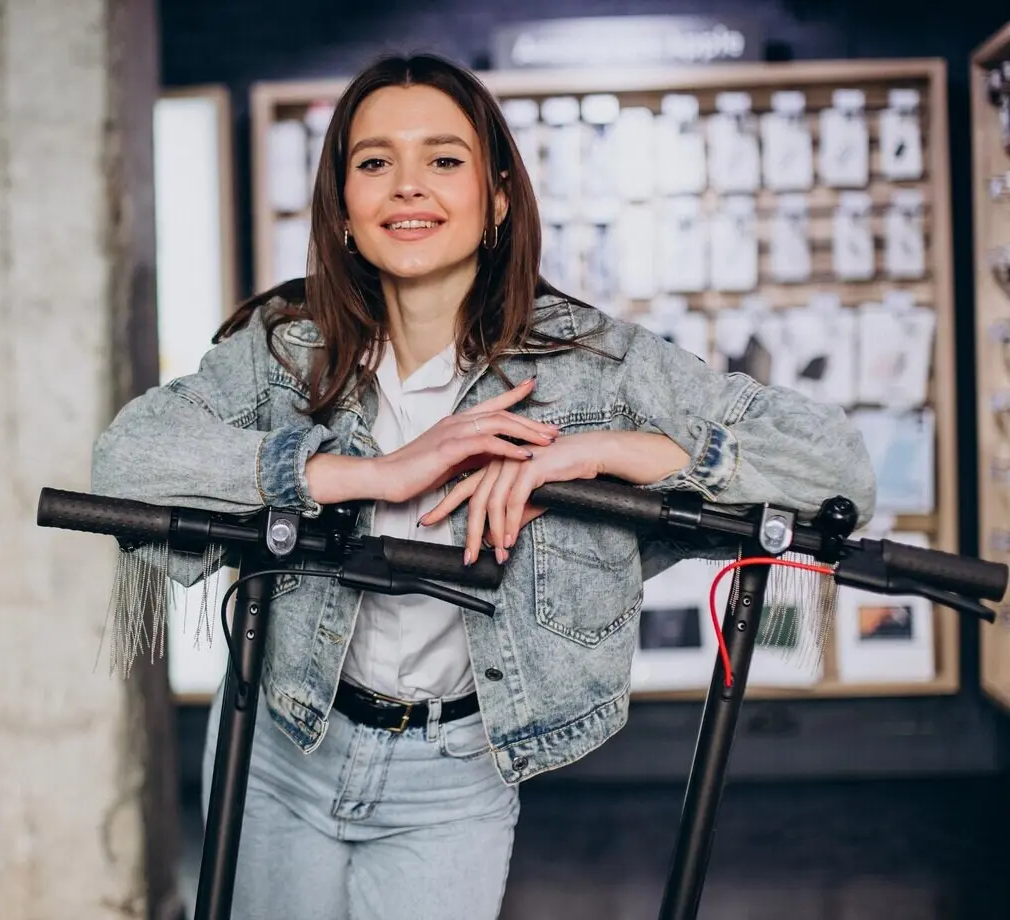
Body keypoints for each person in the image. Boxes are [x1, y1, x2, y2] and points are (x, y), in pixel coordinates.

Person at [91, 53, 876, 920]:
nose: (408, 185)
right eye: (375, 162)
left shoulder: (596, 365)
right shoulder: (284, 352)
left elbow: (835, 472)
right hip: (280, 744)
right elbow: (127, 460)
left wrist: (597, 452)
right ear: (343, 209)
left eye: (444, 158)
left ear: (498, 198)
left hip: (454, 774)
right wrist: (369, 473)